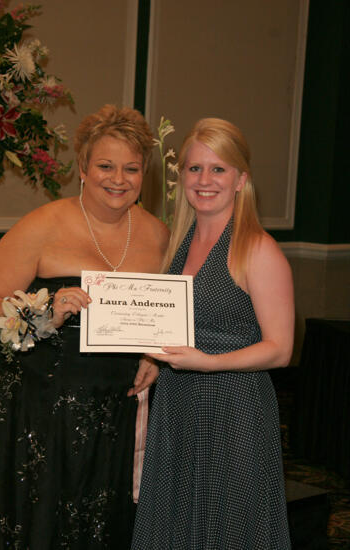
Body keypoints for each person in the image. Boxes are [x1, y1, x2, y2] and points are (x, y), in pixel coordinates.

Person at [0, 104, 169, 549]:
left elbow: (162, 316)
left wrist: (152, 354)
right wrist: (43, 313)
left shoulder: (160, 235)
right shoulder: (42, 225)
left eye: (131, 168)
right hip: (34, 407)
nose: (118, 179)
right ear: (82, 168)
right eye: (105, 165)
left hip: (114, 411)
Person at [132, 117, 294, 549]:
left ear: (241, 179)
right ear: (181, 175)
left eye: (218, 169)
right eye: (194, 168)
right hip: (178, 404)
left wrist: (210, 362)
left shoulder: (257, 248)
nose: (204, 180)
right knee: (179, 522)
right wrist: (151, 357)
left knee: (228, 526)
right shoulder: (178, 244)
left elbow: (280, 350)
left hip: (235, 408)